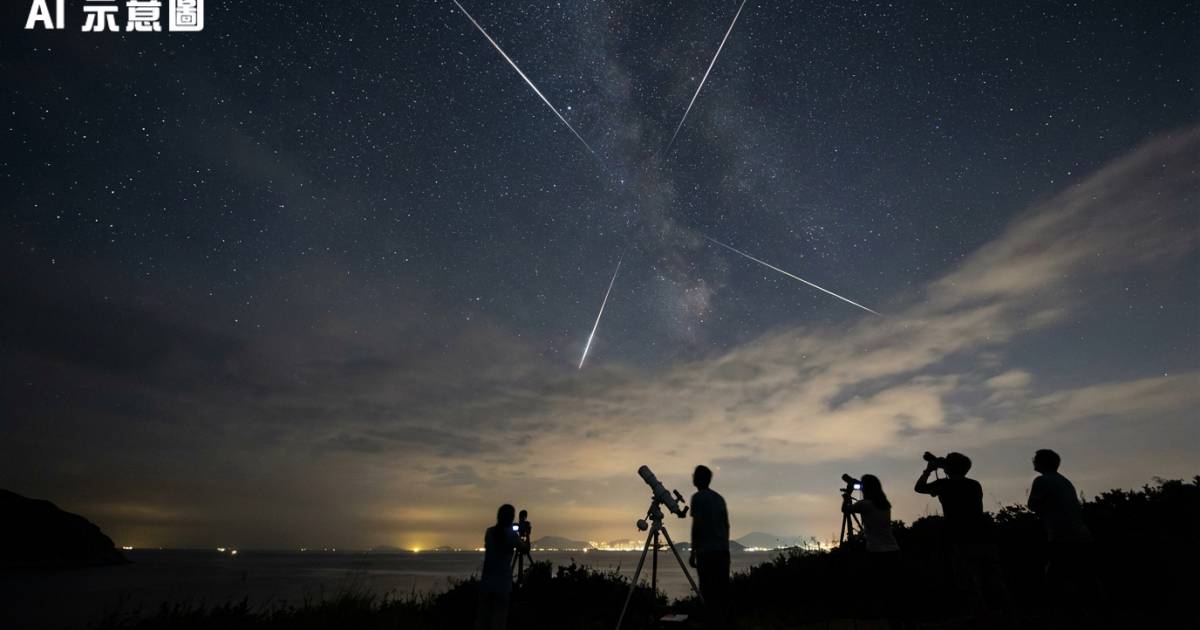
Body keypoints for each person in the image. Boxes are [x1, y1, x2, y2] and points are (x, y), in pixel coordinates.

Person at [914, 452, 1009, 619]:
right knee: (991, 576)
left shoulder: (944, 484)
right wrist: (944, 466)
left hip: (960, 536)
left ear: (949, 468)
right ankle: (1003, 613)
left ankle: (978, 616)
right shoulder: (974, 484)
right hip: (984, 535)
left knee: (967, 579)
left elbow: (919, 488)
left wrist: (928, 470)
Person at [1028, 449, 1098, 611]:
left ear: (1042, 462)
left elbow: (1032, 505)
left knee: (1056, 574)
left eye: (1036, 459)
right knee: (1084, 575)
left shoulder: (1042, 481)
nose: (1033, 461)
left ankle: (1059, 609)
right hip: (1080, 533)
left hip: (1062, 534)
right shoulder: (1065, 481)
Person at [843, 474, 902, 630]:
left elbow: (845, 510)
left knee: (880, 588)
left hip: (876, 552)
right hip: (893, 550)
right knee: (893, 589)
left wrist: (848, 493)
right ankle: (897, 620)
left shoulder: (865, 505)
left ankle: (883, 618)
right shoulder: (885, 504)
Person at [689, 464, 731, 628]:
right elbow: (727, 525)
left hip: (706, 553)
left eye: (694, 475)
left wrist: (693, 552)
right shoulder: (720, 498)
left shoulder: (697, 498)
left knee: (708, 592)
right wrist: (725, 547)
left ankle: (712, 623)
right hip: (722, 552)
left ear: (698, 479)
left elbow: (697, 526)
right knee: (722, 592)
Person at [474, 504, 528, 630]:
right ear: (511, 518)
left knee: (482, 620)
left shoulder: (489, 532)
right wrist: (527, 533)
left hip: (486, 583)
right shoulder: (511, 535)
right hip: (502, 585)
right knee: (499, 621)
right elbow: (525, 549)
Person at [511, 509, 534, 583]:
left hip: (525, 545)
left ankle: (517, 580)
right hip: (521, 545)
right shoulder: (518, 524)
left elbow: (528, 532)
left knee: (515, 561)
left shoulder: (527, 524)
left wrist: (527, 529)